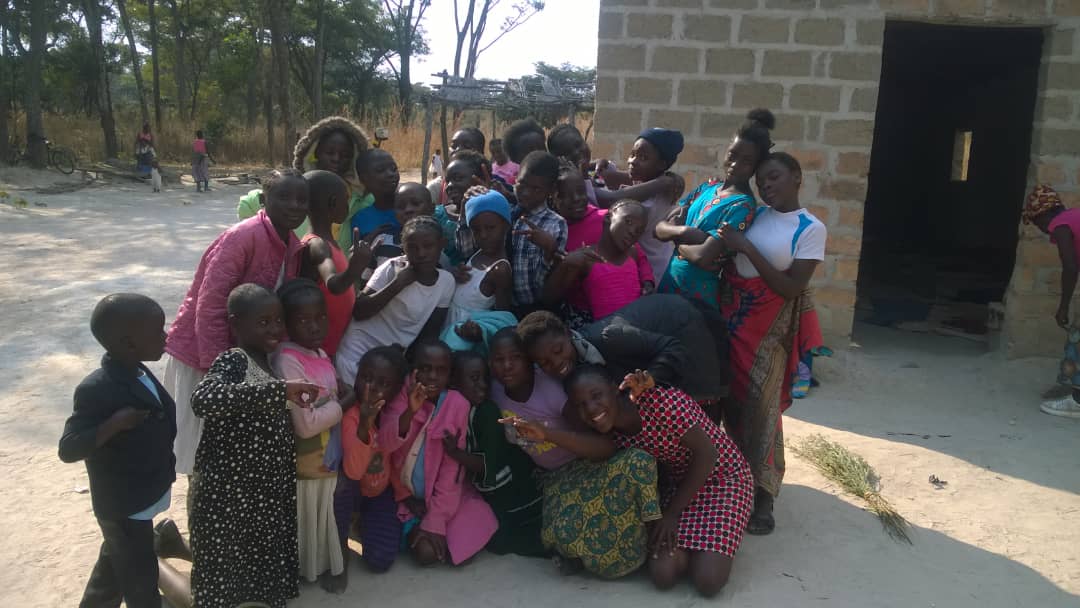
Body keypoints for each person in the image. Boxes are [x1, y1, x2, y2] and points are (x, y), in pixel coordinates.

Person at [165, 169, 309, 477]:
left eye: (302, 199)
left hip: (240, 361)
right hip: (204, 357)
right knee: (201, 448)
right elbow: (210, 304)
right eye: (284, 197)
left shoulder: (293, 247)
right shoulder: (244, 237)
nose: (294, 205)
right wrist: (217, 369)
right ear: (263, 199)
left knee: (226, 450)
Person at [564, 366, 754, 597]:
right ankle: (704, 543)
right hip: (680, 484)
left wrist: (672, 514)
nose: (591, 408)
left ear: (614, 389)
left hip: (725, 478)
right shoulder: (610, 434)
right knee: (663, 575)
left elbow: (708, 455)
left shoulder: (660, 401)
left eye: (596, 396)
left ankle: (721, 533)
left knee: (708, 581)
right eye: (581, 404)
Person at [487, 329, 660, 578]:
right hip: (555, 479)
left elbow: (604, 447)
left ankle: (654, 542)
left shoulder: (552, 392)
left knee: (631, 477)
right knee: (563, 534)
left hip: (587, 464)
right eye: (498, 360)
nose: (506, 366)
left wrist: (546, 434)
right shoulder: (495, 390)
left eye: (515, 357)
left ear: (529, 361)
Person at [188, 284, 320, 608]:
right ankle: (161, 567)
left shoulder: (270, 362)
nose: (275, 328)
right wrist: (277, 392)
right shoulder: (234, 359)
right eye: (263, 322)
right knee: (216, 592)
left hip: (262, 498)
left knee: (262, 583)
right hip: (226, 498)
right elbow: (203, 399)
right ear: (235, 324)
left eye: (278, 320)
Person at [717, 151, 826, 535]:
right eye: (762, 180)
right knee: (726, 401)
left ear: (797, 176)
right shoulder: (755, 215)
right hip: (730, 317)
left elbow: (792, 286)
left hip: (767, 328)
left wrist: (747, 248)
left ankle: (763, 494)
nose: (767, 186)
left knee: (761, 407)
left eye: (775, 177)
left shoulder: (810, 227)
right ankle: (732, 479)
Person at [59, 294, 188, 608]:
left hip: (141, 492)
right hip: (122, 502)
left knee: (116, 558)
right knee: (139, 577)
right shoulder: (97, 389)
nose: (165, 335)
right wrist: (112, 425)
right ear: (129, 343)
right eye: (157, 331)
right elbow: (69, 447)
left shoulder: (138, 371)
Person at [378, 340, 498, 565]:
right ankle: (416, 532)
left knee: (452, 550)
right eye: (425, 368)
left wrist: (435, 521)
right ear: (413, 369)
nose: (432, 376)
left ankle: (435, 530)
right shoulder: (402, 394)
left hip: (444, 496)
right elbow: (386, 448)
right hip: (403, 494)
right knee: (423, 553)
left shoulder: (457, 404)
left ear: (449, 376)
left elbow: (452, 472)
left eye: (440, 370)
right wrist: (410, 412)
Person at [655, 110, 775, 311]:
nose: (735, 164)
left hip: (696, 298)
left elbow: (703, 256)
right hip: (668, 283)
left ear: (755, 167)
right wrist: (686, 233)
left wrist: (675, 237)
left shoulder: (742, 206)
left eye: (746, 161)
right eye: (732, 155)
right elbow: (658, 229)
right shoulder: (707, 188)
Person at [269, 279, 346, 592]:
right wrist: (343, 404)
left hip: (326, 456)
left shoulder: (316, 351)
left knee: (323, 513)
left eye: (320, 317)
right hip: (307, 460)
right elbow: (306, 424)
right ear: (287, 324)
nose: (314, 326)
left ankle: (324, 565)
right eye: (303, 320)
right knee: (309, 514)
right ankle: (308, 570)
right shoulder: (288, 360)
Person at [516, 303, 727, 416]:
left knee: (702, 406)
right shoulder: (571, 370)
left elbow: (673, 347)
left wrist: (651, 377)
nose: (556, 362)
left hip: (683, 328)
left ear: (568, 333)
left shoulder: (610, 337)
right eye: (544, 362)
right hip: (655, 352)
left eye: (558, 350)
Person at [443, 350, 546, 557]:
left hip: (513, 489)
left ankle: (556, 549)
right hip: (495, 490)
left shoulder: (487, 412)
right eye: (473, 379)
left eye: (485, 378)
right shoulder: (459, 409)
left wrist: (455, 453)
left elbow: (487, 464)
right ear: (454, 382)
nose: (482, 384)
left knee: (500, 542)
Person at [334, 216, 455, 385]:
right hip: (356, 352)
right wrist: (398, 283)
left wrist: (407, 366)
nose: (421, 253)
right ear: (403, 248)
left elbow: (429, 333)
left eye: (428, 246)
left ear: (441, 245)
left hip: (390, 362)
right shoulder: (391, 268)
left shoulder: (446, 282)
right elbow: (359, 310)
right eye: (413, 248)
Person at [335, 346, 408, 586]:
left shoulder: (391, 414)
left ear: (396, 391)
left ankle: (363, 522)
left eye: (383, 383)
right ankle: (341, 543)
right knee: (343, 488)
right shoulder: (352, 414)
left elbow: (394, 453)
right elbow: (354, 471)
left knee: (380, 560)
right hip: (352, 492)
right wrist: (365, 422)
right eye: (366, 378)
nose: (372, 387)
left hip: (379, 493)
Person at [296, 170, 371, 357]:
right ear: (333, 203)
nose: (348, 204)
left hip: (334, 347)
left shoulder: (329, 242)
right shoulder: (316, 244)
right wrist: (356, 267)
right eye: (345, 199)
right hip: (319, 350)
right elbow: (333, 285)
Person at [543, 199, 653, 320]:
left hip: (637, 327)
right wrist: (564, 264)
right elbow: (548, 298)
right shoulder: (586, 258)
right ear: (607, 218)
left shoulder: (633, 253)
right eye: (628, 222)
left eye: (639, 231)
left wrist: (647, 284)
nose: (633, 232)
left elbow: (644, 264)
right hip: (602, 332)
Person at [1024, 184, 1080, 418]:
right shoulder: (1074, 216)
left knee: (1078, 338)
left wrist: (1063, 305)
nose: (1042, 230)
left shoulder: (1061, 225)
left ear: (1044, 214)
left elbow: (1070, 266)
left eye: (1037, 222)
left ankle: (1077, 401)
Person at [441, 190, 516, 353]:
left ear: (506, 226)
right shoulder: (476, 254)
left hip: (467, 340)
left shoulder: (500, 269)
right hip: (450, 327)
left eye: (490, 228)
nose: (483, 235)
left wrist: (478, 332)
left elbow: (503, 318)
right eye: (475, 229)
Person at [291, 116, 371, 247]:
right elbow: (248, 204)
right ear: (315, 153)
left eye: (345, 155)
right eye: (329, 152)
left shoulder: (363, 200)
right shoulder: (296, 190)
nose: (336, 159)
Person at [511, 151, 568, 315]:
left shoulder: (555, 224)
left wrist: (549, 250)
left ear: (550, 190)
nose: (526, 192)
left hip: (539, 309)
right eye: (522, 184)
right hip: (508, 306)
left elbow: (548, 282)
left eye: (536, 189)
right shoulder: (509, 213)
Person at [441, 150, 489, 265]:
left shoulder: (489, 216)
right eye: (447, 181)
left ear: (479, 180)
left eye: (458, 178)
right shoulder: (436, 214)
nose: (450, 186)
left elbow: (468, 252)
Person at [350, 148, 402, 248]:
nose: (391, 174)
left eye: (394, 169)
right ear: (364, 178)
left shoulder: (411, 209)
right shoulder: (360, 219)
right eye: (380, 170)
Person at [427, 129, 487, 205]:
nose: (458, 150)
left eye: (467, 146)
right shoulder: (435, 189)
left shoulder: (497, 186)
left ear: (481, 152)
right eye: (453, 146)